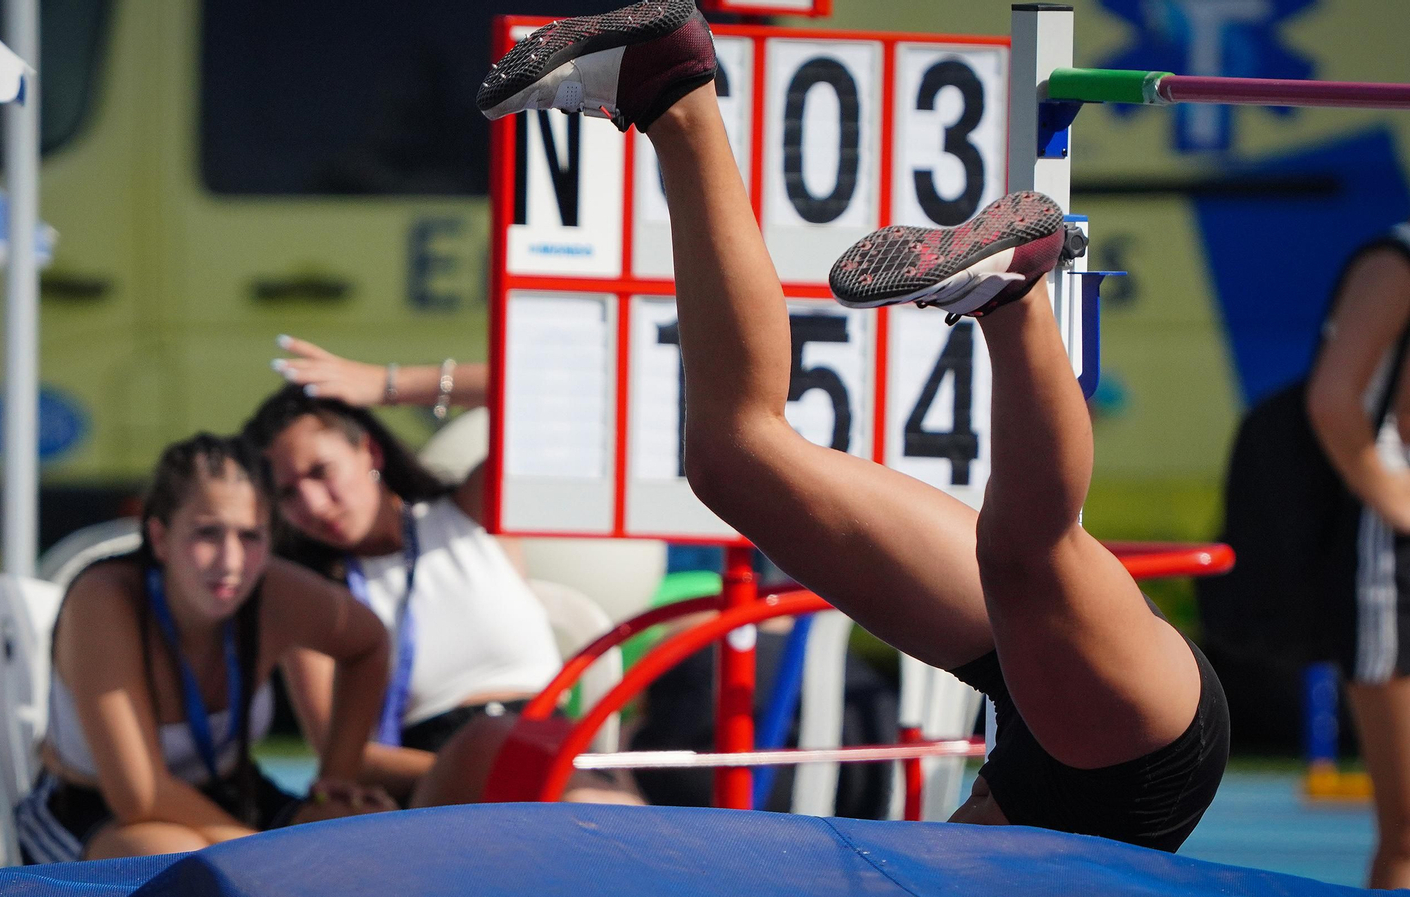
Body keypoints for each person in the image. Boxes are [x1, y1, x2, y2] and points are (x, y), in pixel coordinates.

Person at [477, 0, 1229, 851]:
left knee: (736, 458)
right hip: (1129, 770)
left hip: (1027, 715)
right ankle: (1012, 301)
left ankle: (668, 90)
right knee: (1027, 553)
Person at [15, 434, 394, 862]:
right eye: (208, 533)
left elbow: (368, 644)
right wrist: (269, 861)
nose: (231, 561)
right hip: (93, 808)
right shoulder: (103, 602)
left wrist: (337, 775)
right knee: (180, 863)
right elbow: (138, 796)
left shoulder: (273, 592)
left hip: (233, 794)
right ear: (159, 538)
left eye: (251, 536)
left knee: (362, 838)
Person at [240, 375, 586, 806]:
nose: (313, 504)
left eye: (320, 472)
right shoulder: (313, 600)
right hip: (443, 785)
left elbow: (553, 404)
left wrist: (389, 386)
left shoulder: (471, 512)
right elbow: (341, 760)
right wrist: (483, 765)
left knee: (608, 807)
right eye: (287, 493)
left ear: (370, 450)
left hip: (556, 753)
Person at [1305, 223, 1410, 888]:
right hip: (1387, 559)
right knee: (1407, 831)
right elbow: (1334, 399)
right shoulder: (1395, 261)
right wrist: (1399, 508)